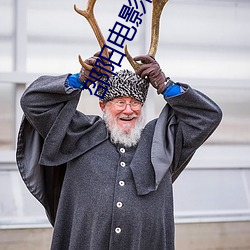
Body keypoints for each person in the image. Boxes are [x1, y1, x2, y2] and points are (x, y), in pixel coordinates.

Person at [16, 53, 222, 250]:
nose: (128, 110)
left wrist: (165, 86)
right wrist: (79, 80)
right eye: (120, 102)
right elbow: (32, 102)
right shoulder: (79, 132)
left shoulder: (162, 140)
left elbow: (208, 116)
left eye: (135, 103)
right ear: (103, 105)